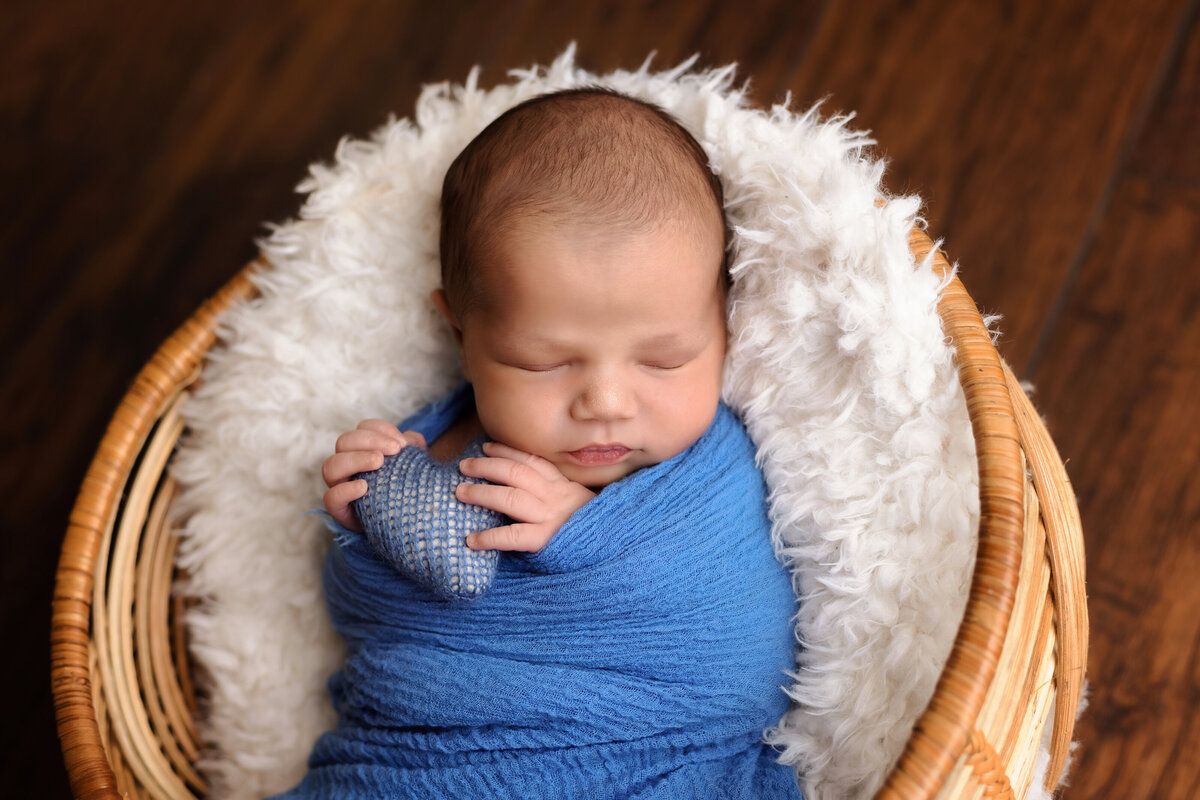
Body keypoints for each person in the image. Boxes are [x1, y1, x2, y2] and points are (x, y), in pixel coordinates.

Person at [279, 87, 803, 799]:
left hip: (653, 758)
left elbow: (742, 643)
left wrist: (584, 534)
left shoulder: (711, 472)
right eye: (543, 363)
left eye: (665, 359)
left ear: (725, 326)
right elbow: (371, 631)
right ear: (461, 334)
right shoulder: (435, 445)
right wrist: (363, 532)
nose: (607, 405)